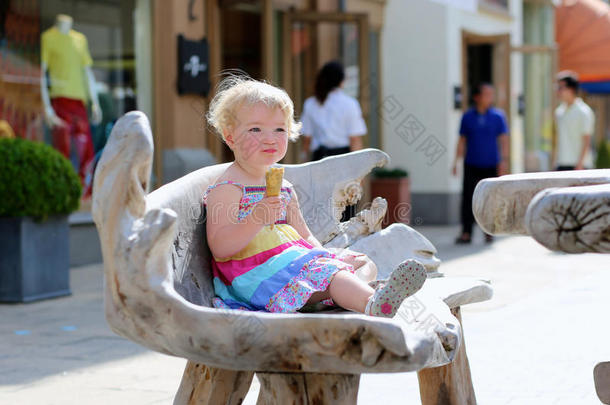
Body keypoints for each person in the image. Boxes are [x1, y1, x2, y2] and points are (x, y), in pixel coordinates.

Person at [203, 76, 426, 317]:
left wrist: (325, 256)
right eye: (256, 129)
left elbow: (304, 234)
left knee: (362, 262)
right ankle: (371, 303)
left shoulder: (284, 186)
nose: (270, 138)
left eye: (279, 129)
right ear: (230, 137)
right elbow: (221, 247)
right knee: (334, 275)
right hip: (257, 277)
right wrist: (256, 218)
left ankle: (350, 296)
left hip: (290, 263)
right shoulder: (229, 187)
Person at [40, 14, 102, 198]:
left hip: (79, 104)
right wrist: (47, 108)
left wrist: (95, 102)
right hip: (59, 102)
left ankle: (86, 195)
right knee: (62, 150)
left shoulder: (79, 40)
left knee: (86, 151)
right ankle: (62, 195)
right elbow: (42, 74)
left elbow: (87, 72)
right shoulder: (48, 38)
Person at [300, 60, 366, 220]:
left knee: (321, 206)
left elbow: (306, 139)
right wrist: (360, 172)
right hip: (344, 159)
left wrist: (303, 161)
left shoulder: (311, 103)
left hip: (319, 159)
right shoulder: (350, 104)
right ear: (342, 81)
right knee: (346, 204)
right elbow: (355, 140)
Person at [452, 83, 509, 244]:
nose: (490, 97)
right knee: (468, 198)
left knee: (490, 199)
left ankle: (489, 231)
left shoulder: (498, 116)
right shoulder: (467, 117)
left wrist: (504, 161)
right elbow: (462, 140)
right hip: (471, 163)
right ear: (477, 97)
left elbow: (504, 140)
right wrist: (455, 162)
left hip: (491, 163)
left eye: (492, 94)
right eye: (486, 94)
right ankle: (466, 232)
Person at [553, 70, 595, 171]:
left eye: (560, 88)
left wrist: (580, 165)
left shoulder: (584, 111)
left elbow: (587, 140)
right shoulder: (559, 112)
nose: (558, 91)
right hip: (561, 164)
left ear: (571, 89)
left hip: (580, 166)